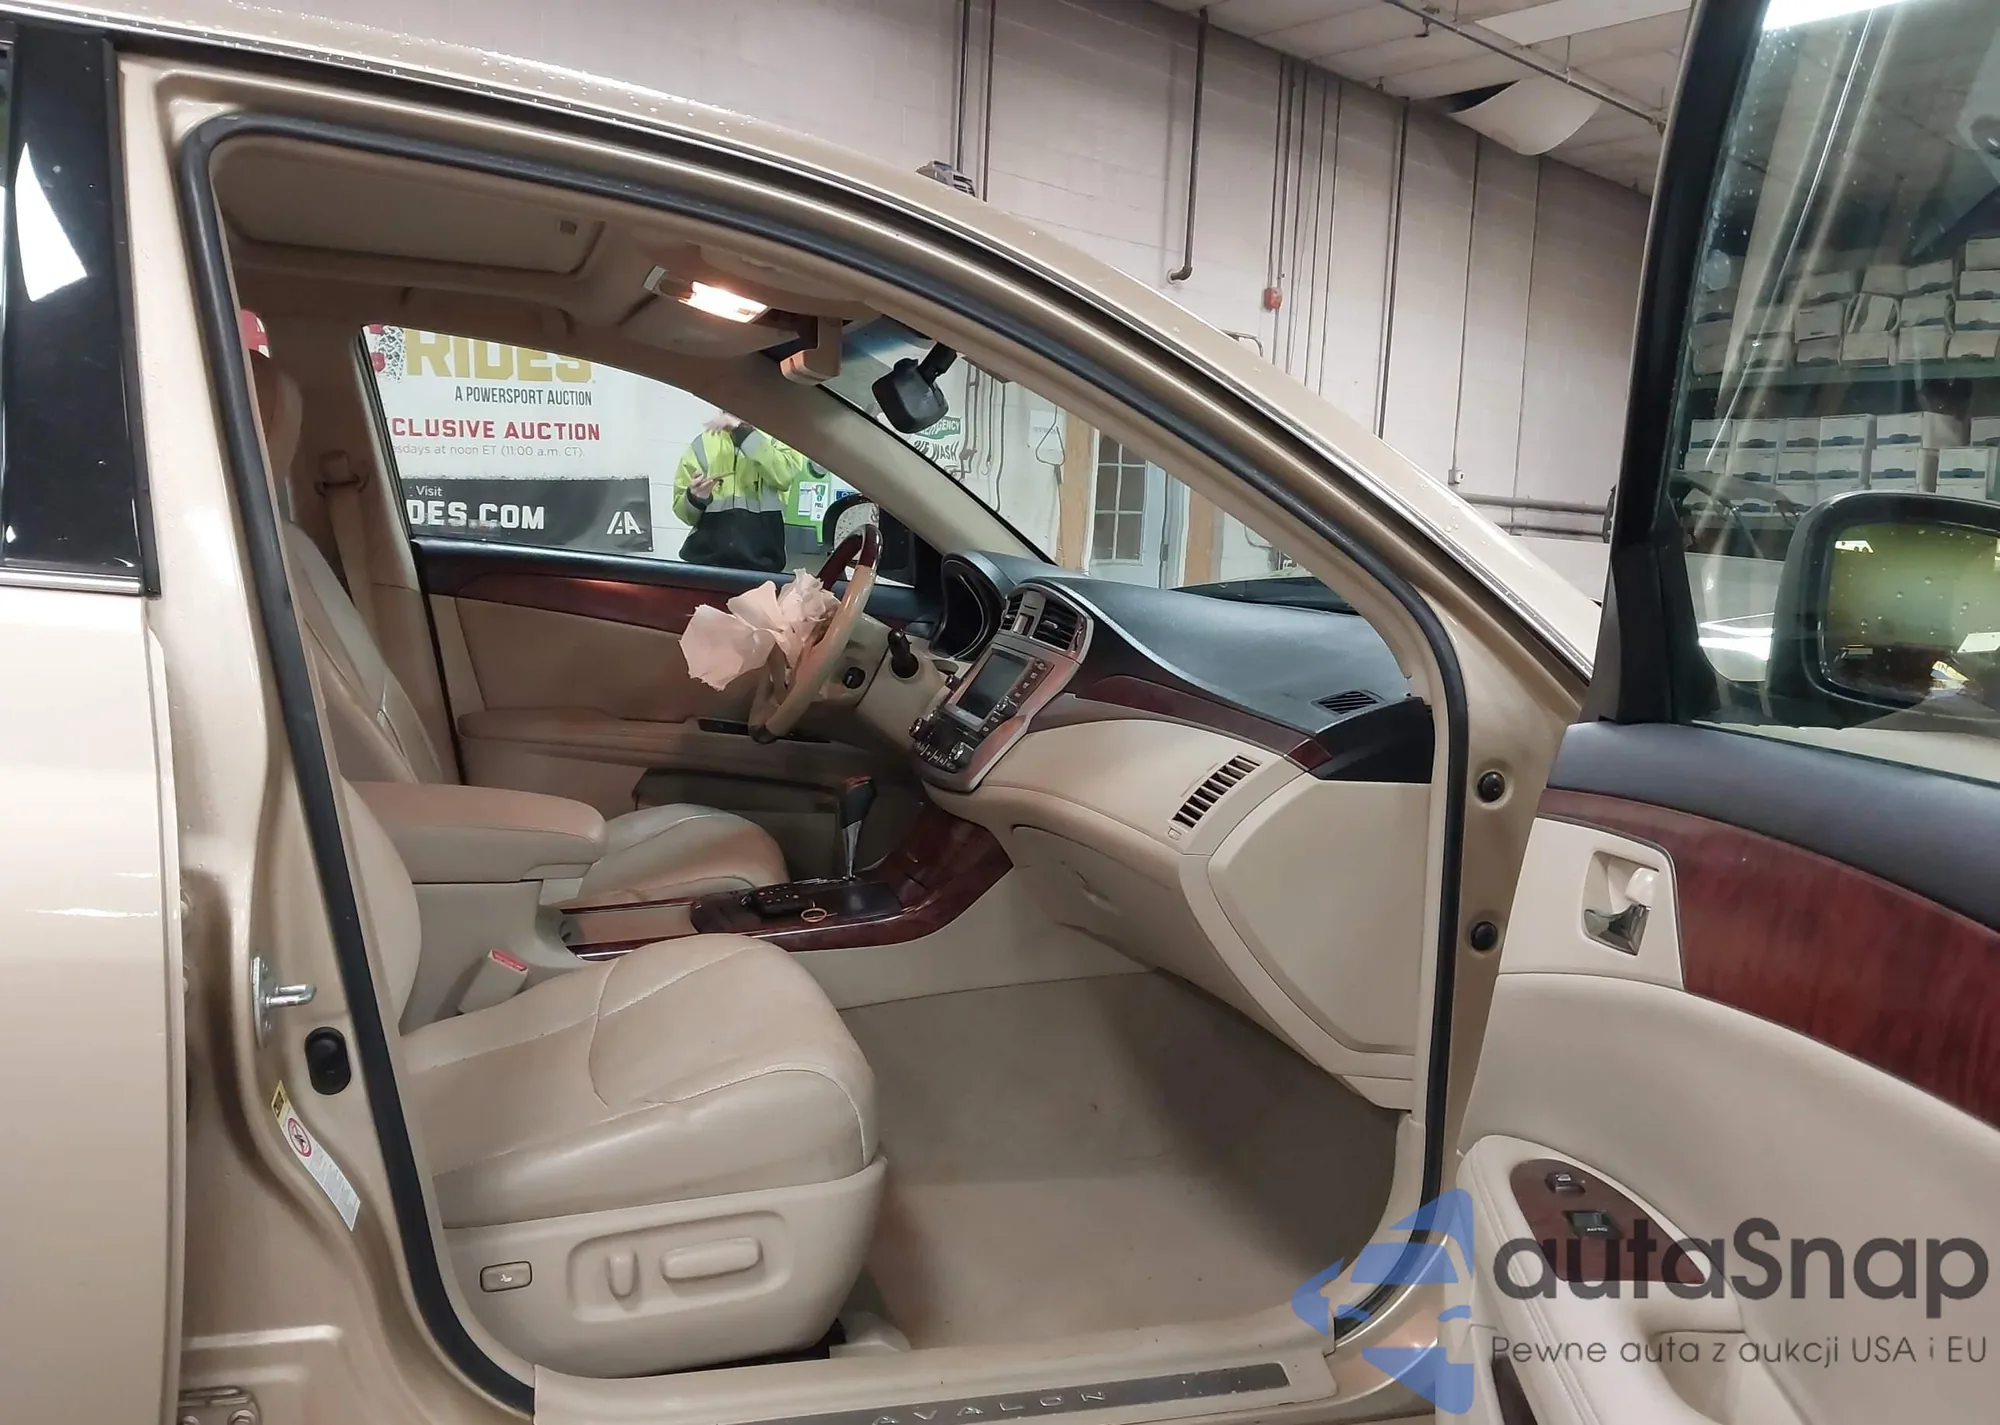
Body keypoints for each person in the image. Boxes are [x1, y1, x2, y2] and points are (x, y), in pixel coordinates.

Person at [672, 413, 808, 572]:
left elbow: (784, 475)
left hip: (761, 565)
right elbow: (685, 515)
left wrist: (742, 432)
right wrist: (695, 498)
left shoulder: (777, 439)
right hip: (705, 564)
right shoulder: (701, 444)